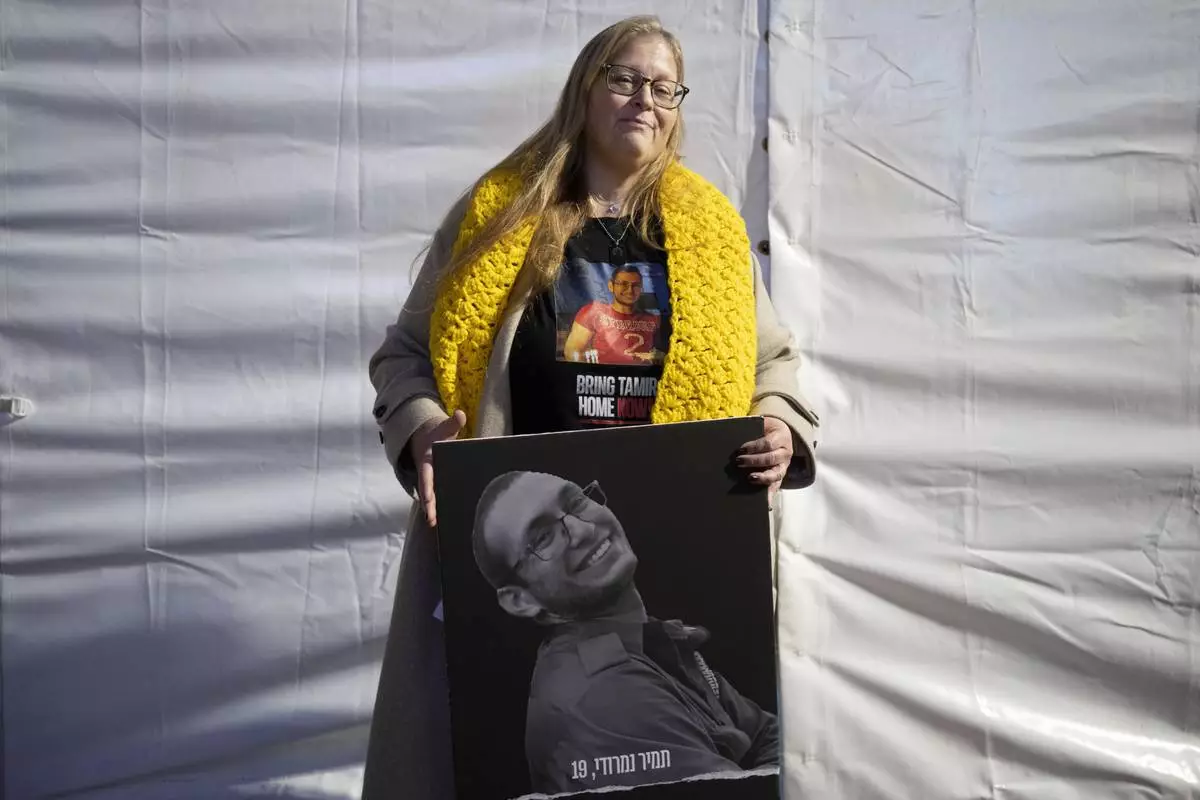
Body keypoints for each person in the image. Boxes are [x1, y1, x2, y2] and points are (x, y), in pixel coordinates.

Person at [362, 15, 819, 799]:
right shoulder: (499, 213)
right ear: (585, 89)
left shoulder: (712, 235)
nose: (646, 98)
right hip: (521, 554)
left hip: (671, 542)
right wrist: (422, 432)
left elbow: (772, 364)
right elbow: (403, 355)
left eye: (664, 86)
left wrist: (779, 422)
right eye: (624, 78)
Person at [472, 471, 779, 795]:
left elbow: (769, 735)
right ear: (520, 600)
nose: (583, 529)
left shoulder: (650, 641)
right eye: (543, 537)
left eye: (576, 502)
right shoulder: (603, 695)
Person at [563, 263, 665, 365]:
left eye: (636, 285)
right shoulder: (593, 312)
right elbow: (572, 352)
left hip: (642, 378)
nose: (630, 290)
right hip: (602, 378)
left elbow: (665, 353)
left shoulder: (653, 319)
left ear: (641, 288)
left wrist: (659, 357)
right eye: (623, 284)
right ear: (611, 286)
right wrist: (597, 375)